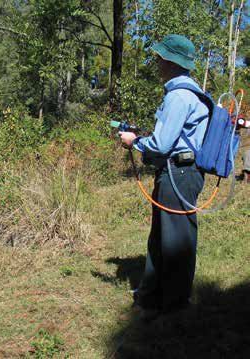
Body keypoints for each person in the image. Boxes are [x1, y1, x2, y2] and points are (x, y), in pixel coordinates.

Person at [119, 34, 209, 318]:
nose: (156, 63)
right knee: (161, 236)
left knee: (176, 241)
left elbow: (161, 145)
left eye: (160, 58)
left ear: (171, 62)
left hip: (178, 174)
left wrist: (133, 141)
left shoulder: (179, 96)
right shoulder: (188, 92)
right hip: (178, 172)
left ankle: (175, 307)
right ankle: (152, 296)